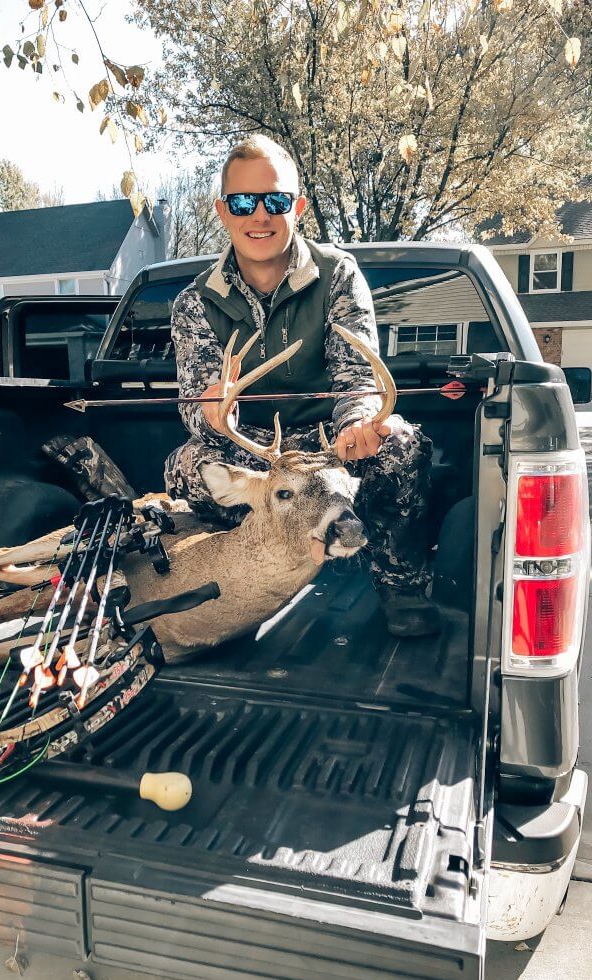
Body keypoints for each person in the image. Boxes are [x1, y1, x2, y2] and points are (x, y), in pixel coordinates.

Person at [165, 134, 439, 637]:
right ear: (223, 211)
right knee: (187, 468)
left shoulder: (337, 275)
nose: (260, 216)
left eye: (276, 201)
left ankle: (399, 583)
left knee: (399, 445)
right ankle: (236, 576)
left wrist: (357, 421)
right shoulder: (194, 302)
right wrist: (211, 410)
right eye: (244, 202)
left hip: (327, 448)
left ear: (299, 207)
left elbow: (357, 374)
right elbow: (197, 403)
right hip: (260, 456)